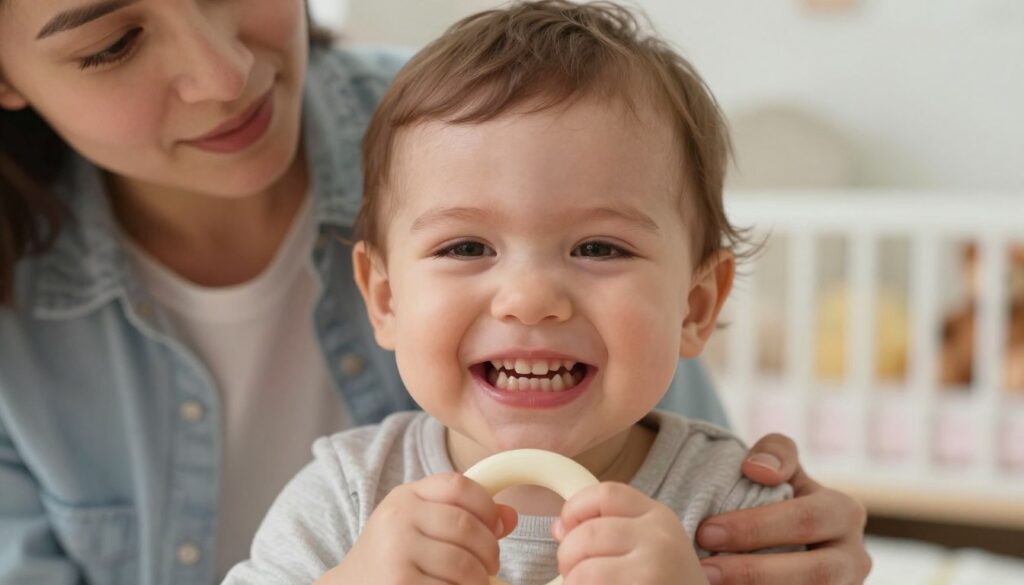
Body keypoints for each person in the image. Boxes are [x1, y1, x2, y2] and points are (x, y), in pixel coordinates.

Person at [0, 1, 869, 584]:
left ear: (698, 301)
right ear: (379, 289)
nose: (531, 296)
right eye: (109, 44)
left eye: (597, 246)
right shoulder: (345, 495)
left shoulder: (725, 501)